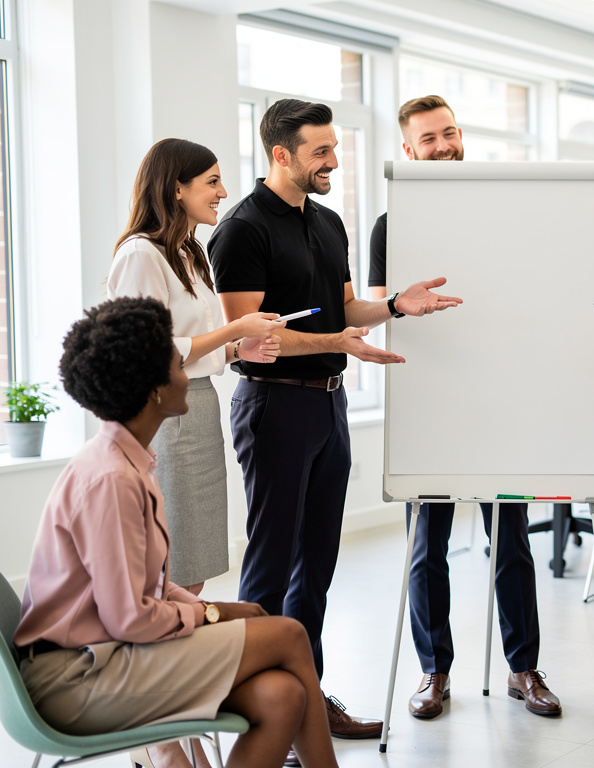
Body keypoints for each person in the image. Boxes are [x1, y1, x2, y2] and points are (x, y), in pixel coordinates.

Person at [207, 98, 462, 747]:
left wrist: (395, 306)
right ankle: (262, 717)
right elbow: (249, 341)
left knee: (316, 567)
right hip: (273, 406)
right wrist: (336, 341)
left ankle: (306, 702)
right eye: (322, 150)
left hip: (328, 404)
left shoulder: (328, 222)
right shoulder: (241, 230)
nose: (334, 160)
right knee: (270, 567)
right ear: (281, 154)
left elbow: (346, 307)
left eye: (334, 148)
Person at [15, 297, 343, 768]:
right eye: (177, 363)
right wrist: (210, 614)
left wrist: (213, 610)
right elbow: (130, 619)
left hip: (108, 657)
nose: (187, 373)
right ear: (153, 390)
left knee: (281, 695)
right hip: (78, 680)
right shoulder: (111, 480)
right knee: (290, 634)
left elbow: (142, 587)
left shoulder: (128, 461)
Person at [367, 95, 558, 719]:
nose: (444, 145)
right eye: (429, 138)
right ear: (408, 150)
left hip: (497, 403)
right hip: (430, 406)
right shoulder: (391, 226)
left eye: (450, 133)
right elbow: (377, 311)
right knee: (429, 547)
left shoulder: (499, 214)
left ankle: (523, 669)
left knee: (513, 544)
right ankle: (433, 672)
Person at [108, 138, 282, 598]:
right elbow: (148, 349)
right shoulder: (141, 254)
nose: (223, 192)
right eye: (212, 181)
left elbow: (192, 344)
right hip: (165, 416)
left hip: (199, 405)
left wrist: (238, 350)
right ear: (176, 189)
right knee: (175, 564)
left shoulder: (189, 253)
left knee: (195, 562)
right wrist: (232, 331)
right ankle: (162, 660)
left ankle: (177, 655)